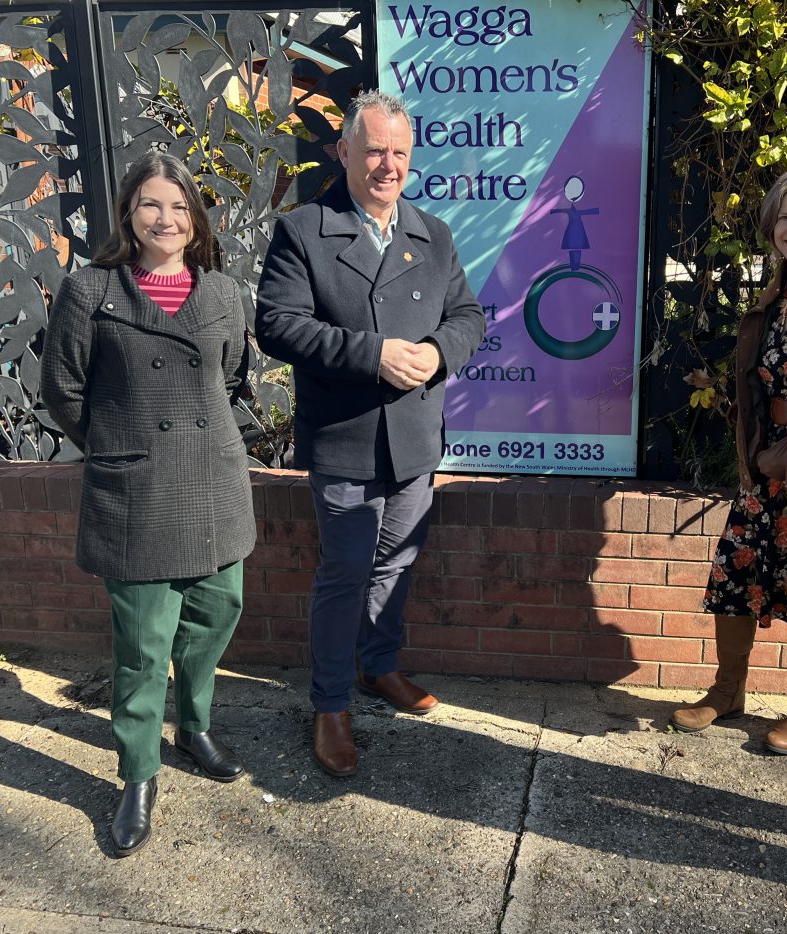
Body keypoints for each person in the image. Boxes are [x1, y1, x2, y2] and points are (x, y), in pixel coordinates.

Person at [255, 91, 485, 778]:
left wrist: (441, 351)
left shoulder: (432, 233)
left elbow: (469, 315)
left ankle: (378, 667)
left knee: (397, 562)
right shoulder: (305, 231)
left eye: (399, 153)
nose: (388, 165)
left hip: (415, 433)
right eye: (375, 150)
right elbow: (278, 325)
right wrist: (372, 352)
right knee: (347, 570)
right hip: (347, 435)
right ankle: (329, 705)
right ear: (343, 152)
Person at [42, 152, 256, 857]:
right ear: (129, 214)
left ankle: (194, 725)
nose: (166, 219)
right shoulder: (91, 290)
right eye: (150, 205)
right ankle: (138, 774)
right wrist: (119, 445)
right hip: (135, 488)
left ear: (195, 219)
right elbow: (63, 392)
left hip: (213, 482)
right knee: (141, 646)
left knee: (217, 613)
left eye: (178, 207)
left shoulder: (222, 291)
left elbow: (233, 377)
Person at [671, 164, 787, 755]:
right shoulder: (776, 296)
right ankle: (728, 690)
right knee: (735, 575)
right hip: (764, 462)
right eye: (784, 215)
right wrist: (757, 446)